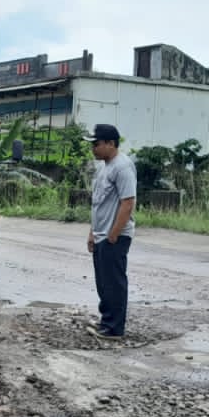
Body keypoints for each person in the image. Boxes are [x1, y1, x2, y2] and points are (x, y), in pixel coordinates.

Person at [86, 123, 136, 340]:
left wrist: (114, 234)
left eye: (96, 144)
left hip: (114, 236)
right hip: (101, 235)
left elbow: (128, 202)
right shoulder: (104, 167)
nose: (93, 149)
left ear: (110, 143)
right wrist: (92, 232)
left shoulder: (122, 167)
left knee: (114, 283)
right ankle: (106, 321)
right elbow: (99, 203)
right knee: (103, 283)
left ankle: (114, 328)